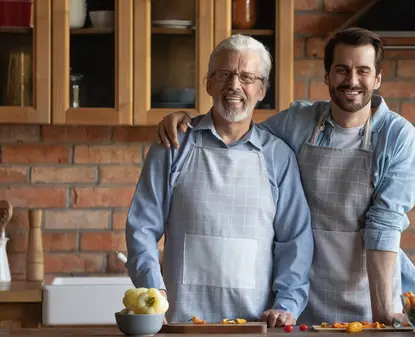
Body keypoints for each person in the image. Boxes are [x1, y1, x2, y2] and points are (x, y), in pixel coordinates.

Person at [155, 27, 415, 325]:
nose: (351, 80)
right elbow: (239, 129)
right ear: (327, 76)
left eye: (363, 71)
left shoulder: (399, 138)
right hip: (303, 302)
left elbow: (384, 226)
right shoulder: (298, 122)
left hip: (369, 295)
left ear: (377, 79)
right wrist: (186, 121)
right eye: (341, 69)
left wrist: (381, 313)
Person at [125, 34, 314, 327]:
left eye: (247, 77)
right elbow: (142, 226)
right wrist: (152, 291)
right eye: (225, 74)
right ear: (209, 83)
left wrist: (286, 304)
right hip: (181, 325)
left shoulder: (279, 157)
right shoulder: (174, 144)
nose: (234, 85)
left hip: (255, 327)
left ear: (262, 90)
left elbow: (295, 240)